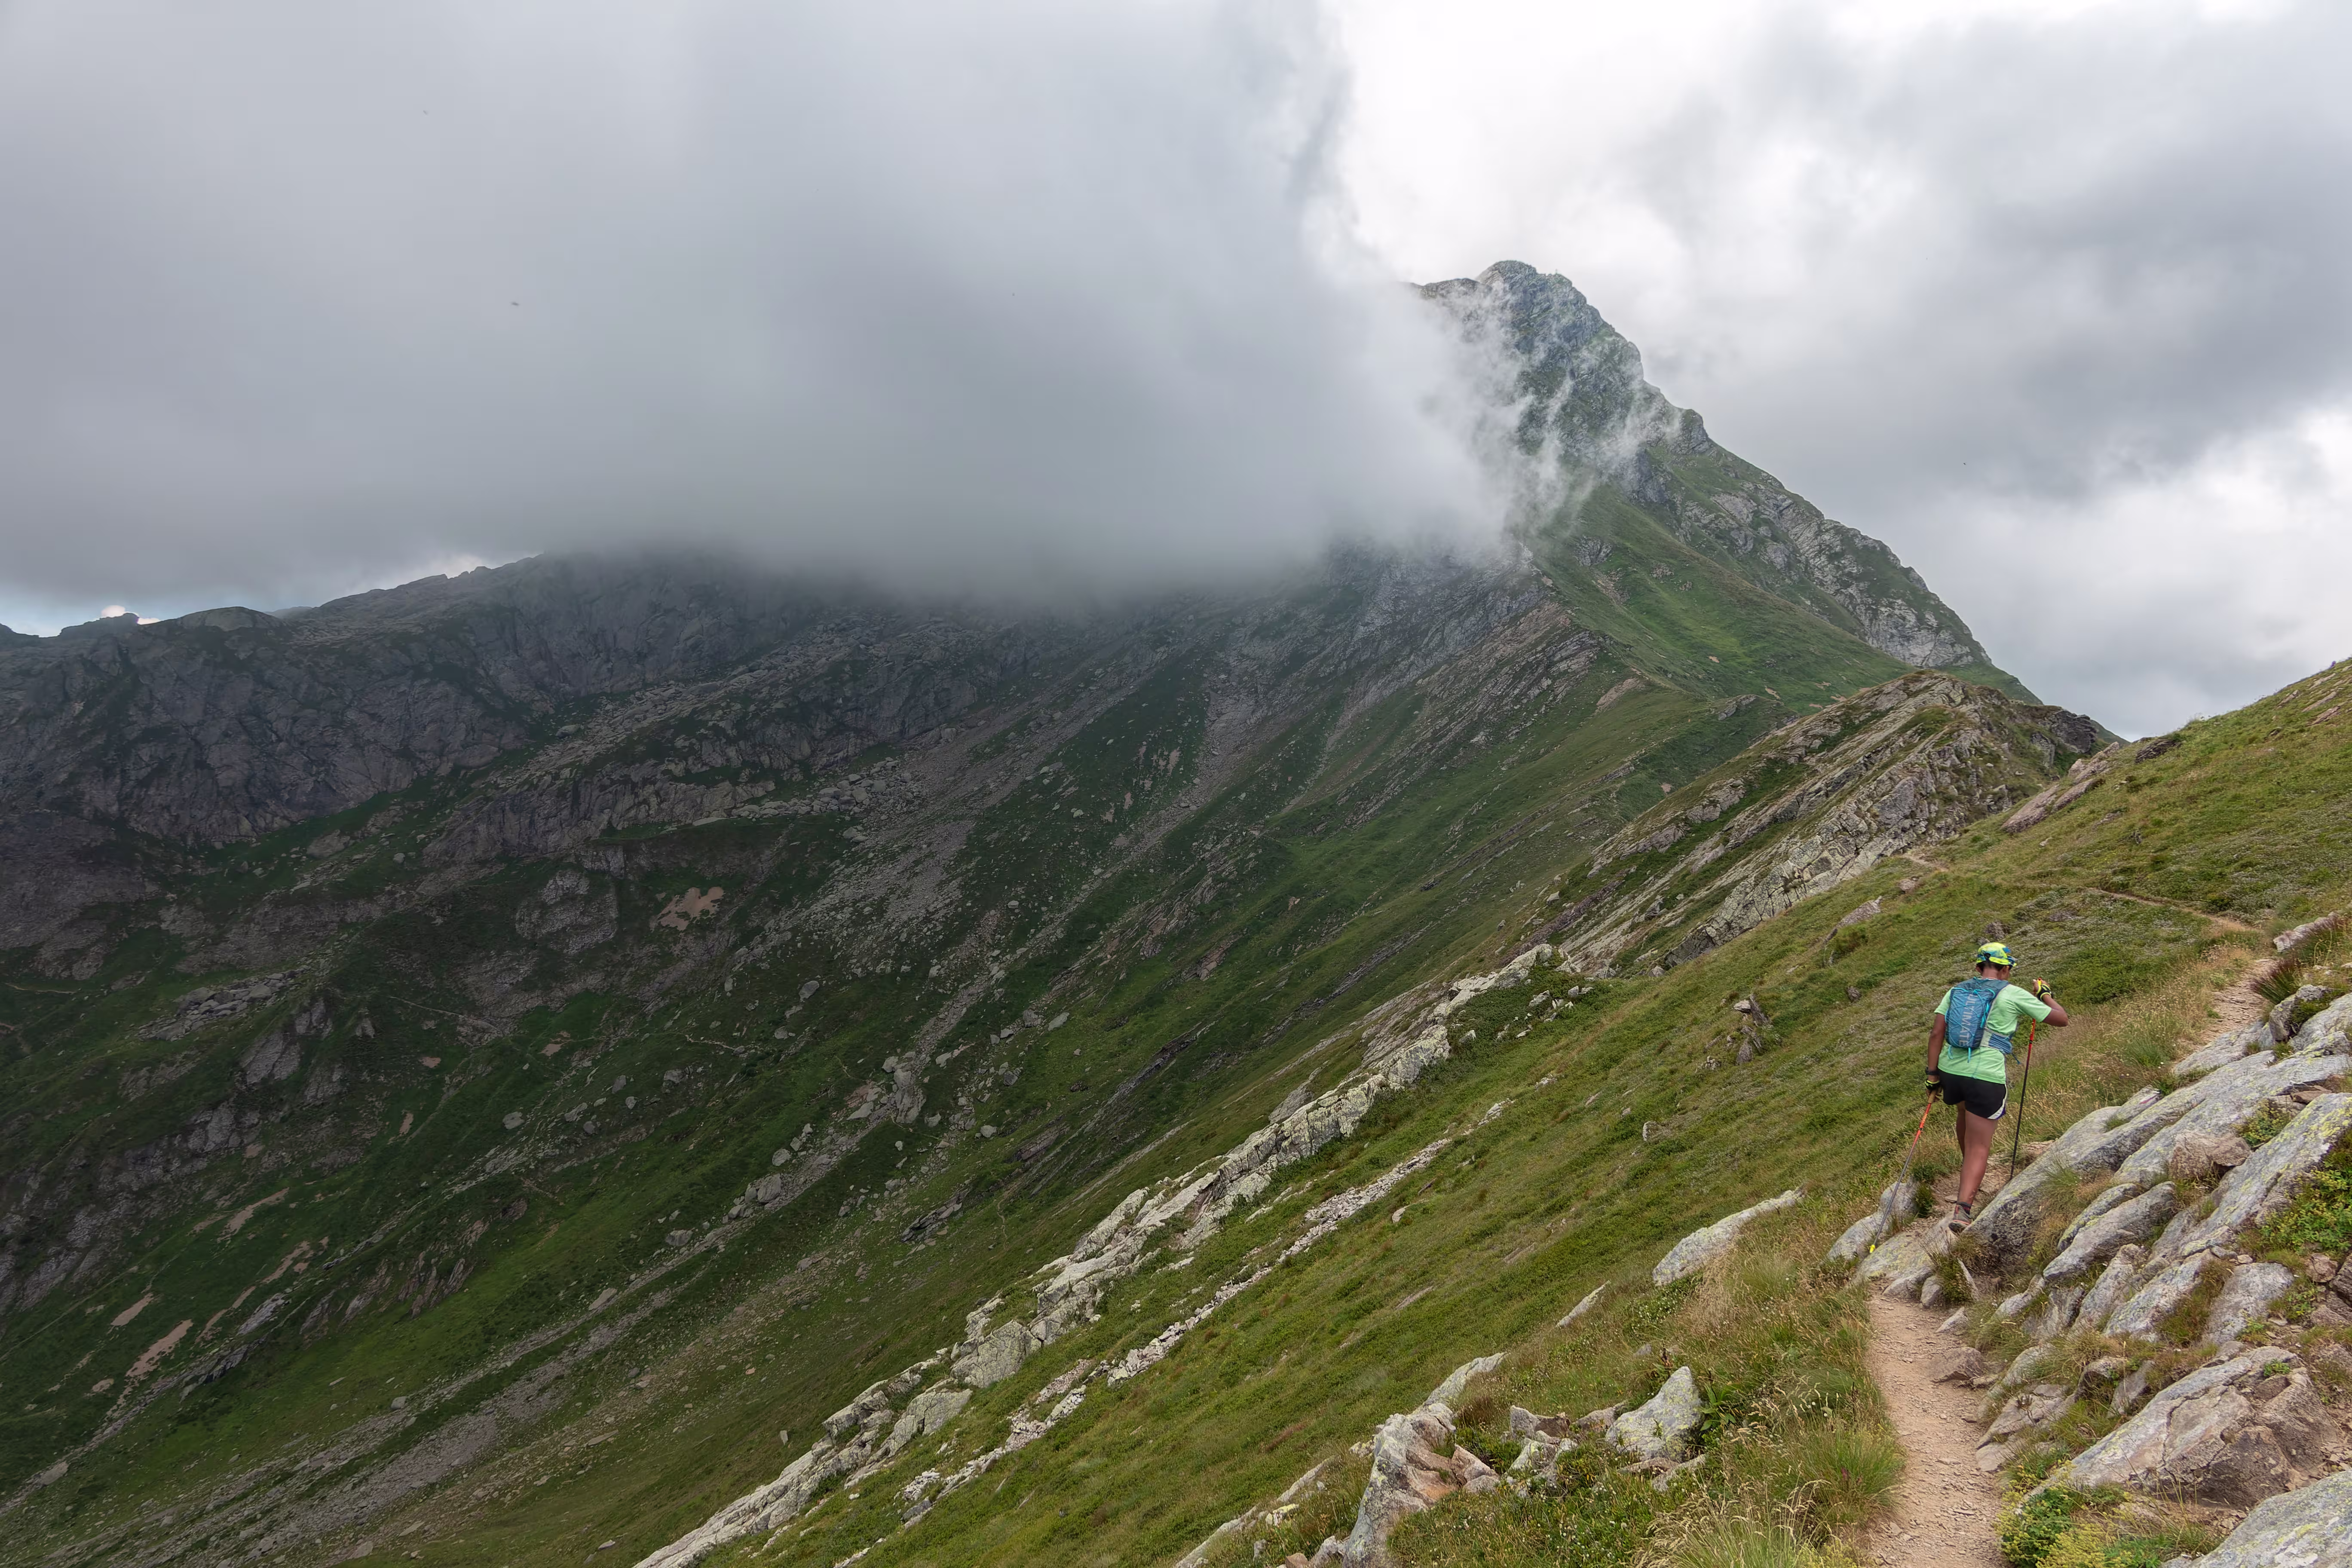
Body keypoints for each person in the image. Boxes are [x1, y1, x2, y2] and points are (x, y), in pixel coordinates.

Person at [1926, 941, 2067, 1226]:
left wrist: (1932, 1076)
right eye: (2009, 969)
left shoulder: (1956, 991)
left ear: (1979, 967)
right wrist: (2045, 996)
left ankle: (1970, 1175)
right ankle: (1963, 1211)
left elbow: (1936, 1033)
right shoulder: (2013, 994)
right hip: (1985, 1075)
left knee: (1964, 1112)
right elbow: (2061, 1020)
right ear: (2005, 969)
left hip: (1951, 1070)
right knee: (1980, 1146)